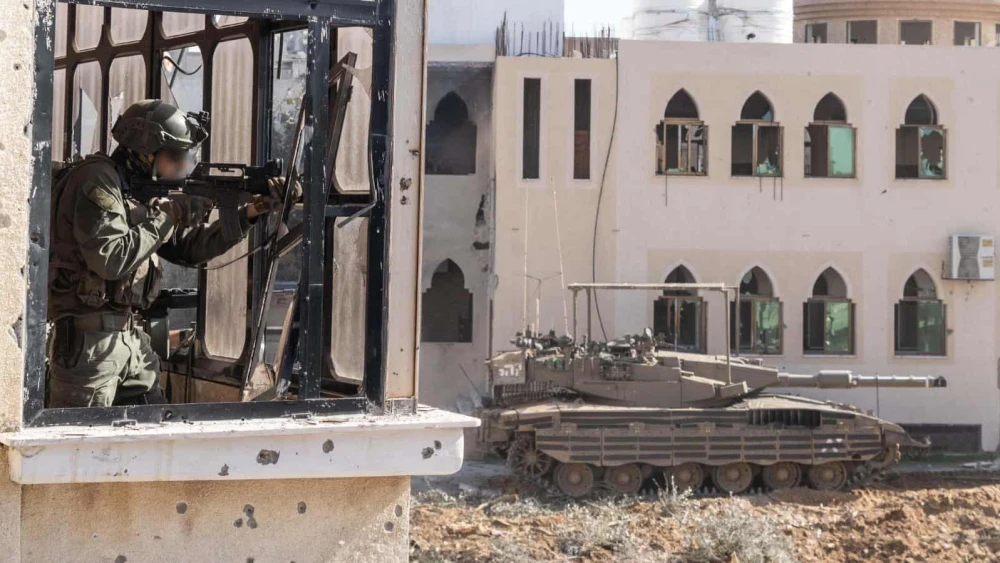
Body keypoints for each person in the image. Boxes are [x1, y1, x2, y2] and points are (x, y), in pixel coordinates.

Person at [47, 99, 285, 407]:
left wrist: (253, 211)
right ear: (145, 151)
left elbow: (188, 250)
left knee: (152, 429)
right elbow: (111, 259)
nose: (182, 165)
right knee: (81, 447)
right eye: (175, 156)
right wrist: (170, 214)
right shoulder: (97, 180)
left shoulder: (132, 190)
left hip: (129, 338)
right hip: (87, 346)